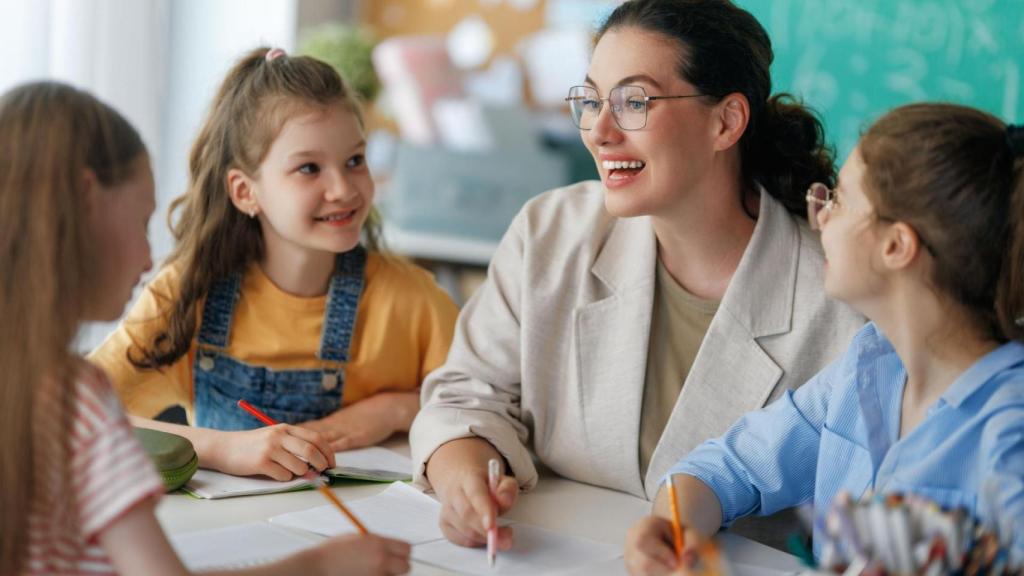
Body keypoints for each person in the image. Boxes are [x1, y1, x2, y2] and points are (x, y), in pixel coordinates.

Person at [410, 0, 863, 551]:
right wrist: (464, 480)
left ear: (726, 121)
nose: (599, 131)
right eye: (591, 100)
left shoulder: (842, 296)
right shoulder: (551, 231)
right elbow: (466, 394)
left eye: (633, 101)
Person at [0, 80, 412, 575]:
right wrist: (320, 568)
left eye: (355, 161)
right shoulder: (78, 399)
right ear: (87, 202)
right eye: (141, 221)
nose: (150, 256)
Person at [623, 103, 1024, 574]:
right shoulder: (869, 366)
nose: (821, 217)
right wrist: (673, 526)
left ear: (896, 246)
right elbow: (731, 465)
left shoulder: (1008, 435)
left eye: (839, 200)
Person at [88, 48, 458, 481]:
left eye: (354, 160)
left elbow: (487, 408)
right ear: (246, 192)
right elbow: (69, 411)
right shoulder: (186, 295)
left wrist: (395, 408)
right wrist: (222, 448)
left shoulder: (413, 299)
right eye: (308, 168)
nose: (342, 188)